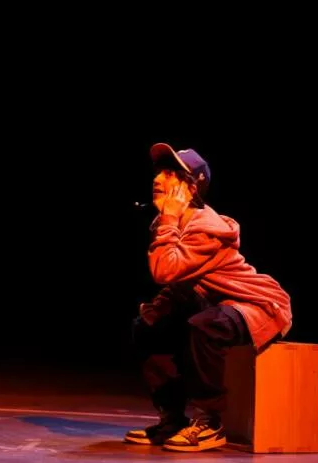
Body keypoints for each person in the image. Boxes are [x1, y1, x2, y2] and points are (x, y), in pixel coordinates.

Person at [124, 143, 292, 453]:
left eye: (171, 173)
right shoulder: (174, 222)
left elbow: (165, 270)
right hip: (220, 301)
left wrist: (168, 218)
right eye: (160, 171)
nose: (158, 178)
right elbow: (183, 281)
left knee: (205, 326)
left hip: (258, 304)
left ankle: (209, 422)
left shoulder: (204, 227)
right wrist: (156, 313)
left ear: (191, 188)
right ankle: (172, 419)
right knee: (148, 326)